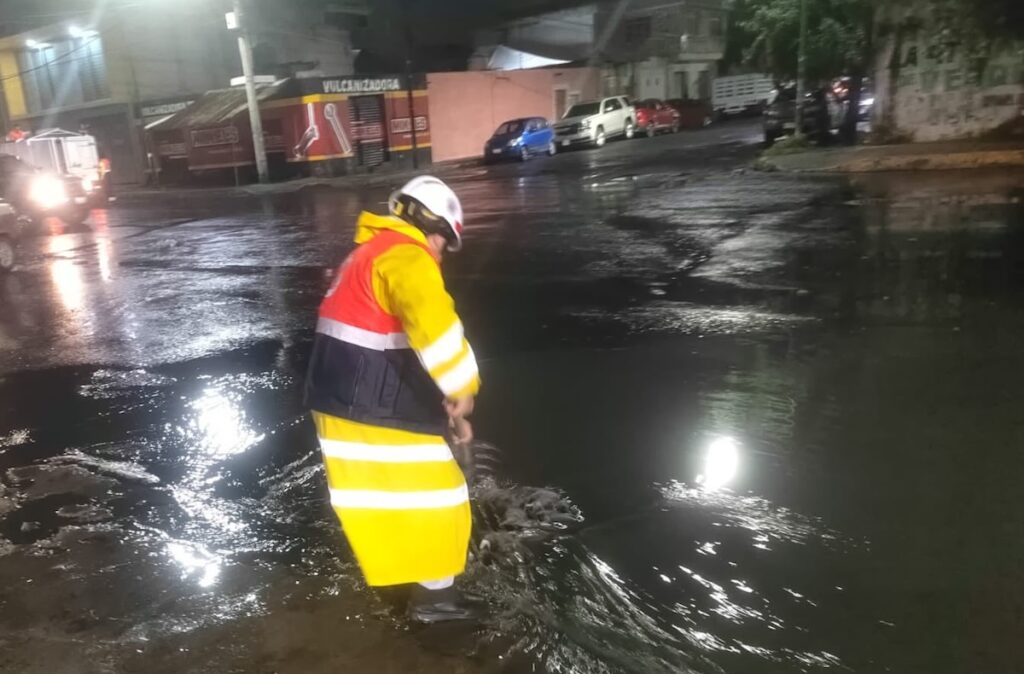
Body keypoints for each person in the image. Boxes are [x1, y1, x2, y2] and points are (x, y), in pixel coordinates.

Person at [305, 175, 483, 623]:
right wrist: (462, 386)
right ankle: (436, 607)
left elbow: (391, 342)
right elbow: (434, 326)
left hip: (345, 399)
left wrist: (447, 413)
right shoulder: (407, 255)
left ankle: (409, 582)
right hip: (370, 406)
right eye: (445, 242)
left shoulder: (367, 254)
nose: (441, 254)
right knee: (441, 498)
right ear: (435, 228)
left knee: (392, 499)